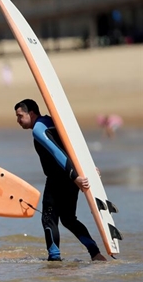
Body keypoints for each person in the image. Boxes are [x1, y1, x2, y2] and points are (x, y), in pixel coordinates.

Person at [14, 99, 106, 261]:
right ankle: (95, 254)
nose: (18, 121)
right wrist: (89, 168)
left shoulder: (38, 129)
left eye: (20, 116)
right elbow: (75, 146)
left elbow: (57, 152)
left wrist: (75, 176)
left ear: (32, 113)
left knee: (48, 219)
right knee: (69, 219)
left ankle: (54, 260)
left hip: (60, 178)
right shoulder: (53, 121)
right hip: (72, 178)